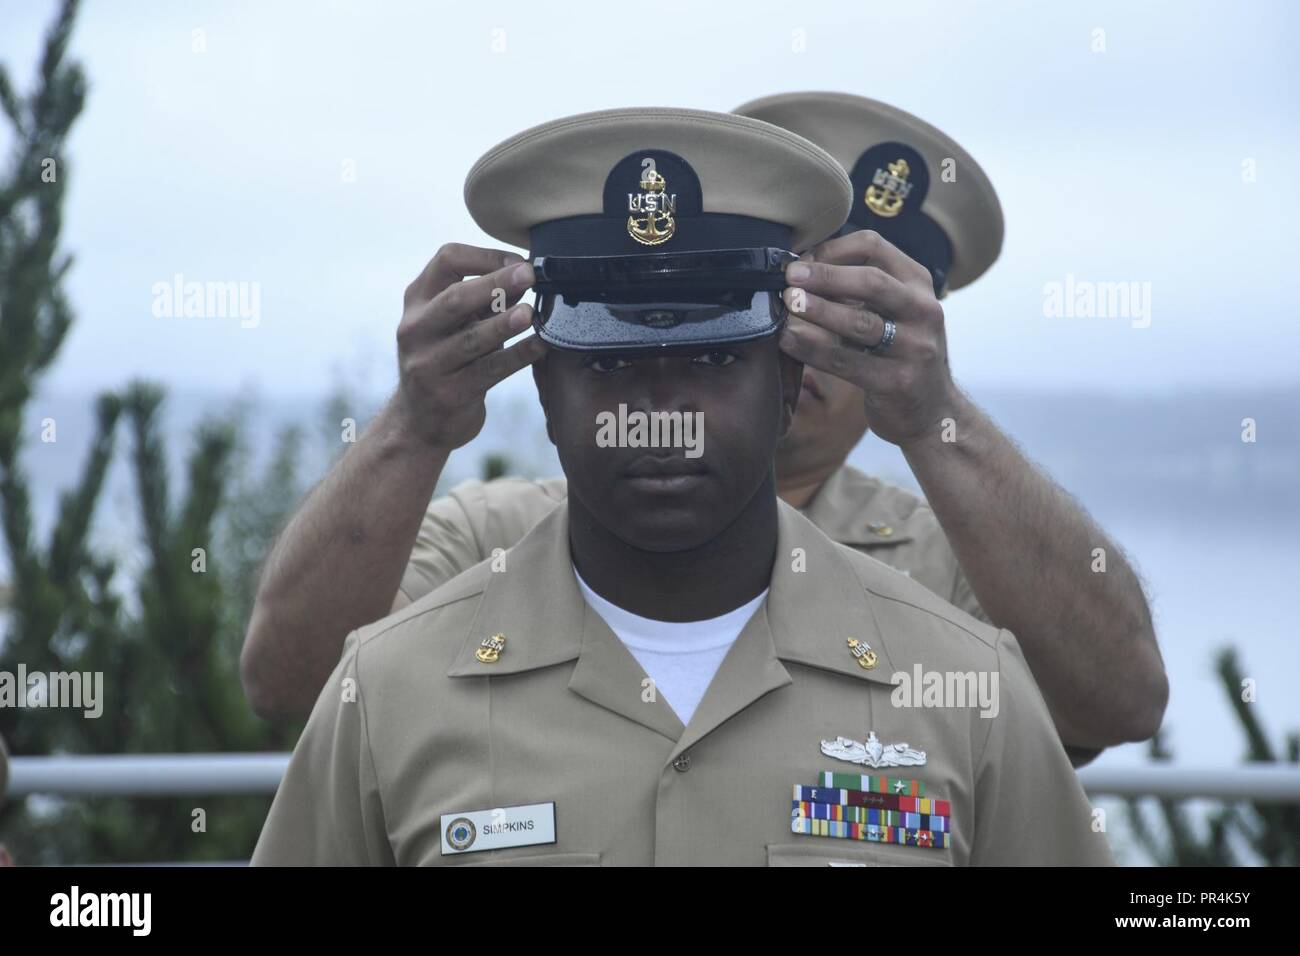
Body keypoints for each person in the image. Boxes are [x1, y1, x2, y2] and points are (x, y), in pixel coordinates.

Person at [251, 106, 1114, 866]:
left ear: (789, 372)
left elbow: (1115, 697)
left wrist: (936, 418)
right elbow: (291, 679)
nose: (662, 408)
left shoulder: (963, 666)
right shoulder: (414, 652)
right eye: (613, 360)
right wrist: (413, 424)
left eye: (710, 356)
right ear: (544, 389)